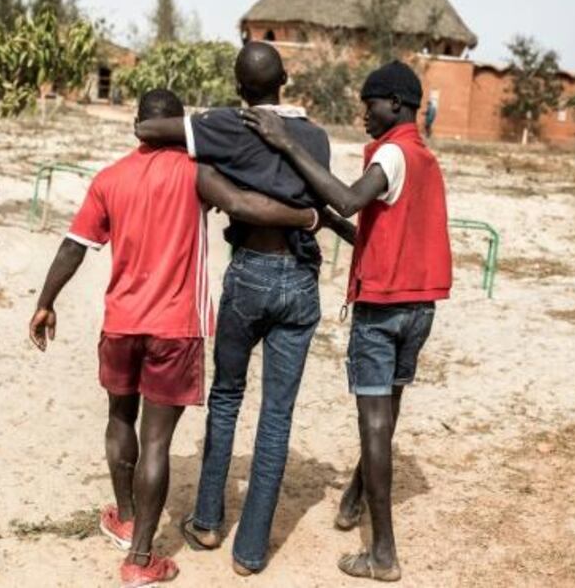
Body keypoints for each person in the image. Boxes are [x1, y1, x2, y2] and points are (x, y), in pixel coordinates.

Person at [28, 89, 319, 588]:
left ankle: (123, 518)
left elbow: (73, 246)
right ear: (179, 125)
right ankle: (141, 558)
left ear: (139, 126)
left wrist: (45, 302)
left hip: (120, 323)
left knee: (120, 417)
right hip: (175, 327)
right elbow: (245, 204)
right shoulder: (196, 172)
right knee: (156, 439)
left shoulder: (110, 178)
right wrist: (307, 218)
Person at [240, 61, 452, 582]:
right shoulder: (423, 157)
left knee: (375, 423)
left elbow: (350, 200)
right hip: (419, 307)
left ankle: (381, 555)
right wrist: (326, 220)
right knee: (388, 411)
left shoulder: (396, 152)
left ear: (397, 105)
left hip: (382, 311)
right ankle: (355, 495)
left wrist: (286, 142)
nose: (363, 113)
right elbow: (376, 228)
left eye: (370, 103)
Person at [134, 42, 332, 575]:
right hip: (301, 278)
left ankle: (207, 521)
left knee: (226, 396)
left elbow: (150, 131)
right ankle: (250, 553)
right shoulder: (316, 137)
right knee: (277, 414)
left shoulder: (230, 124)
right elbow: (313, 195)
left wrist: (209, 149)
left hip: (249, 272)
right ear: (285, 79)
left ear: (240, 87)